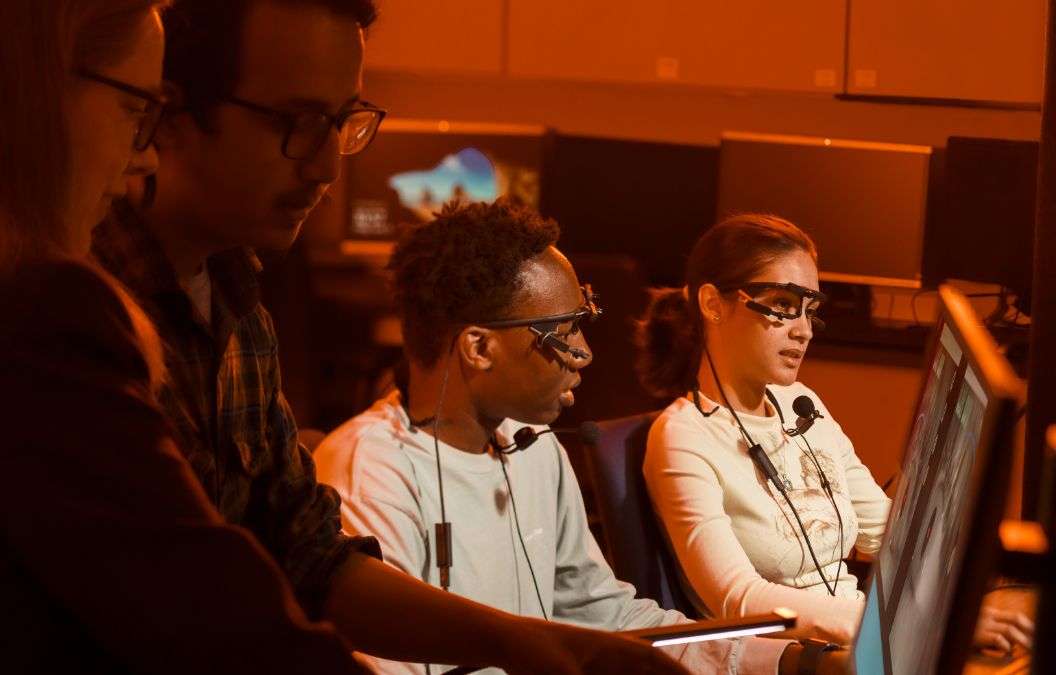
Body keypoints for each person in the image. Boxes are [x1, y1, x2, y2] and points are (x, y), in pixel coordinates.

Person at [90, 1, 684, 672]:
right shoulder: (83, 314)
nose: (326, 168)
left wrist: (536, 644)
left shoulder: (238, 303)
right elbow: (189, 610)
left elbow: (310, 557)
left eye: (341, 125)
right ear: (168, 117)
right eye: (298, 123)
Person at [0, 1, 374, 672]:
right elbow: (224, 632)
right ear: (36, 92)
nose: (147, 153)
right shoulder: (37, 316)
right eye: (138, 109)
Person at [315, 199, 847, 675]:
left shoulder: (534, 446)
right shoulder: (369, 475)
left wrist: (792, 662)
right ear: (479, 348)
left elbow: (611, 618)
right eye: (563, 331)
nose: (585, 353)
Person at [636, 213, 1033, 651]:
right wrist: (915, 624)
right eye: (783, 307)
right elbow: (739, 600)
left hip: (865, 641)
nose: (803, 330)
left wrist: (985, 583)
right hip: (799, 659)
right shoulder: (682, 438)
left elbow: (886, 532)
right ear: (713, 304)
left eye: (810, 312)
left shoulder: (801, 403)